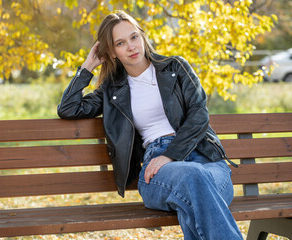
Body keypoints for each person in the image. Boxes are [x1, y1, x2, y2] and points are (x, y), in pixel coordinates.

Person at [57, 10, 243, 240]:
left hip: (206, 160)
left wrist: (172, 154)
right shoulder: (112, 90)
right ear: (112, 52)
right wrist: (87, 67)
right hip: (157, 170)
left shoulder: (176, 67)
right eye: (120, 43)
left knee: (192, 195)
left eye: (134, 37)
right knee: (194, 182)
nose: (131, 46)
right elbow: (68, 108)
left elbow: (199, 114)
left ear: (142, 37)